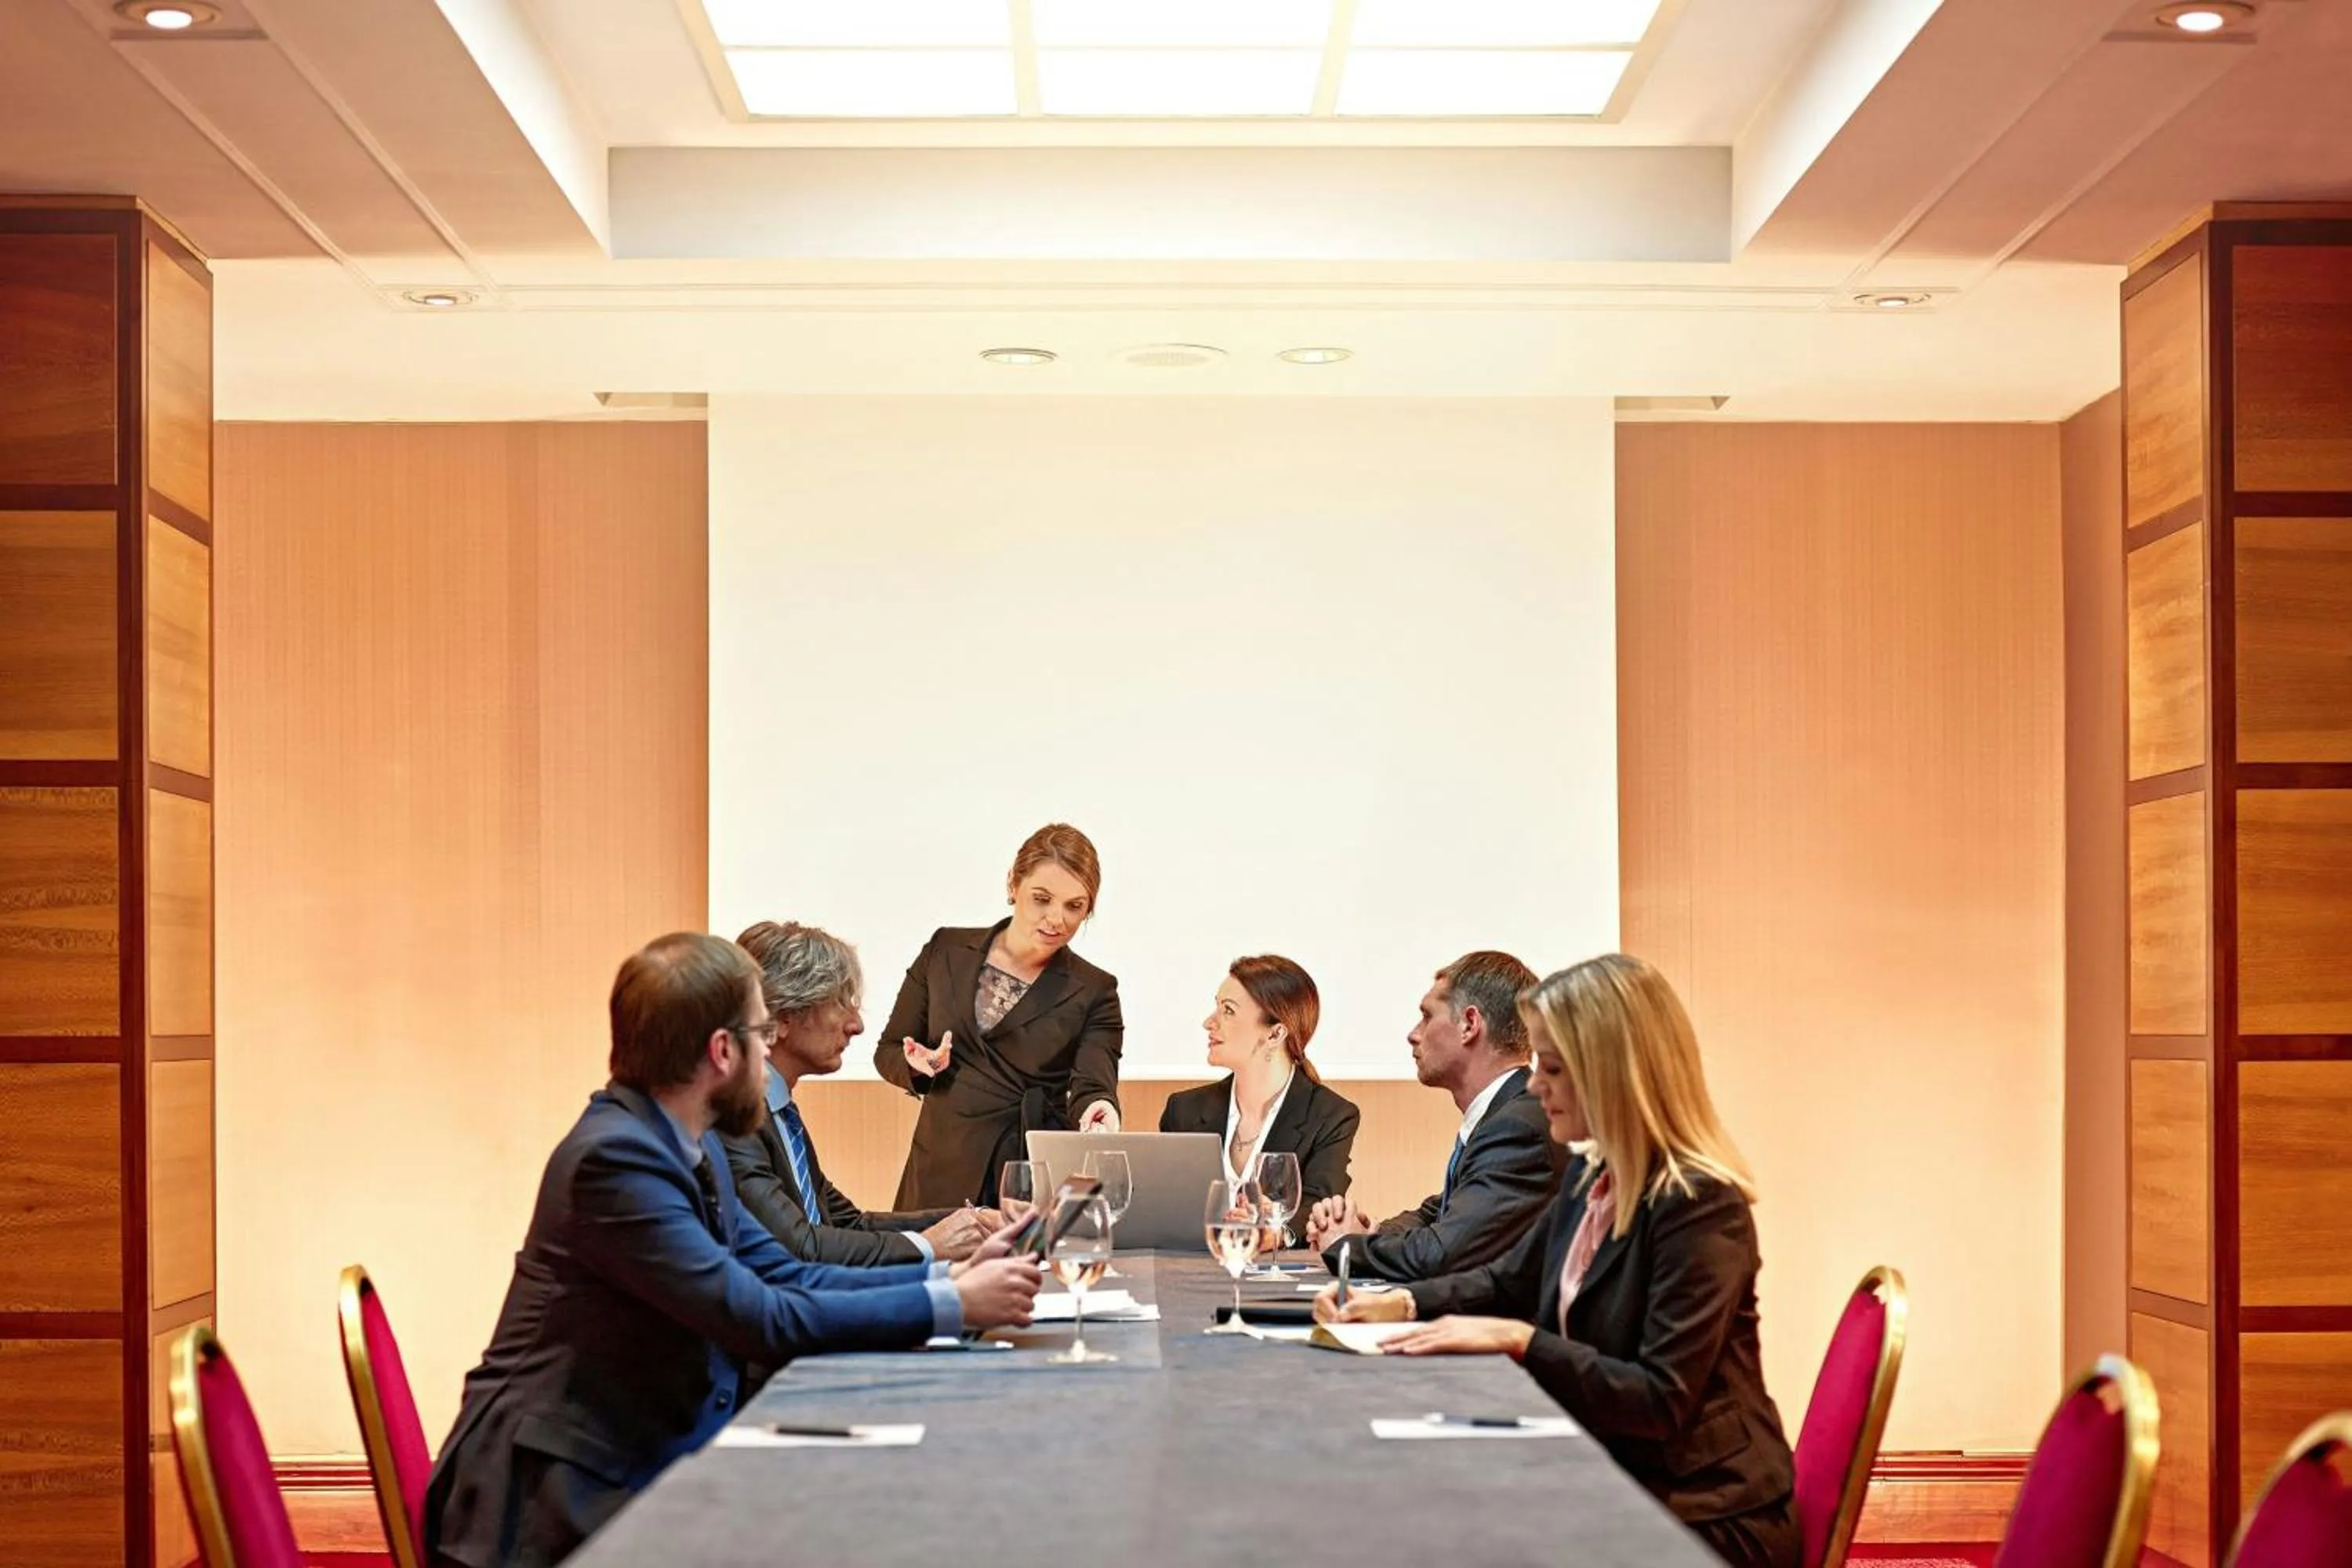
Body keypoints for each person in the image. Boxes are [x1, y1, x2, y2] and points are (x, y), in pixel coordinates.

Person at [424, 933, 1041, 1568]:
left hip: (636, 1456)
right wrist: (951, 1303)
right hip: (553, 1497)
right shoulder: (615, 1160)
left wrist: (946, 1287)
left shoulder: (694, 1143)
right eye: (760, 1033)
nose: (768, 1050)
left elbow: (785, 1274)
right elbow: (756, 1316)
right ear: (723, 1051)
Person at [1312, 953, 1797, 1568]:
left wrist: (1519, 1340)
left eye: (1555, 1068)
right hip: (1616, 1469)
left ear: (1616, 1075)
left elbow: (1659, 1400)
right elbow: (1506, 1279)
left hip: (1704, 1512)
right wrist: (1398, 1302)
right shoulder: (1591, 1177)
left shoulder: (1699, 1205)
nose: (1535, 1087)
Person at [875, 823, 1124, 1209]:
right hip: (939, 1168)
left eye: (1075, 906)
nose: (1057, 919)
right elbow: (889, 1050)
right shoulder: (946, 949)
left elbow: (1094, 1084)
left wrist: (1100, 1109)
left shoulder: (1095, 989)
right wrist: (917, 1064)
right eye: (1042, 898)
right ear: (1013, 883)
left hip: (1026, 1179)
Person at [722, 920, 998, 1266]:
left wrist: (975, 1220)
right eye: (840, 1002)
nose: (857, 1025)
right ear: (782, 1017)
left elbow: (849, 1224)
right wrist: (929, 1246)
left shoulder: (781, 1114)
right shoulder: (734, 1118)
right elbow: (800, 1248)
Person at [1305, 950, 1562, 1280]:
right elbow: (1439, 1212)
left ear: (1470, 1024)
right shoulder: (1506, 1110)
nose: (1413, 1033)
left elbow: (1443, 1253)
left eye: (1427, 1016)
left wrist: (1347, 1246)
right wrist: (1372, 1234)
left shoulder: (1519, 1125)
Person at [1160, 955, 1360, 1235]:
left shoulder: (1331, 1116)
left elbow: (1318, 1209)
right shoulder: (1183, 1110)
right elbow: (1165, 1206)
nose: (1209, 1022)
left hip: (1278, 1273)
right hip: (1195, 1270)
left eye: (1228, 1011)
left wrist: (1276, 1233)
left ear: (1275, 1034)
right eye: (1216, 1007)